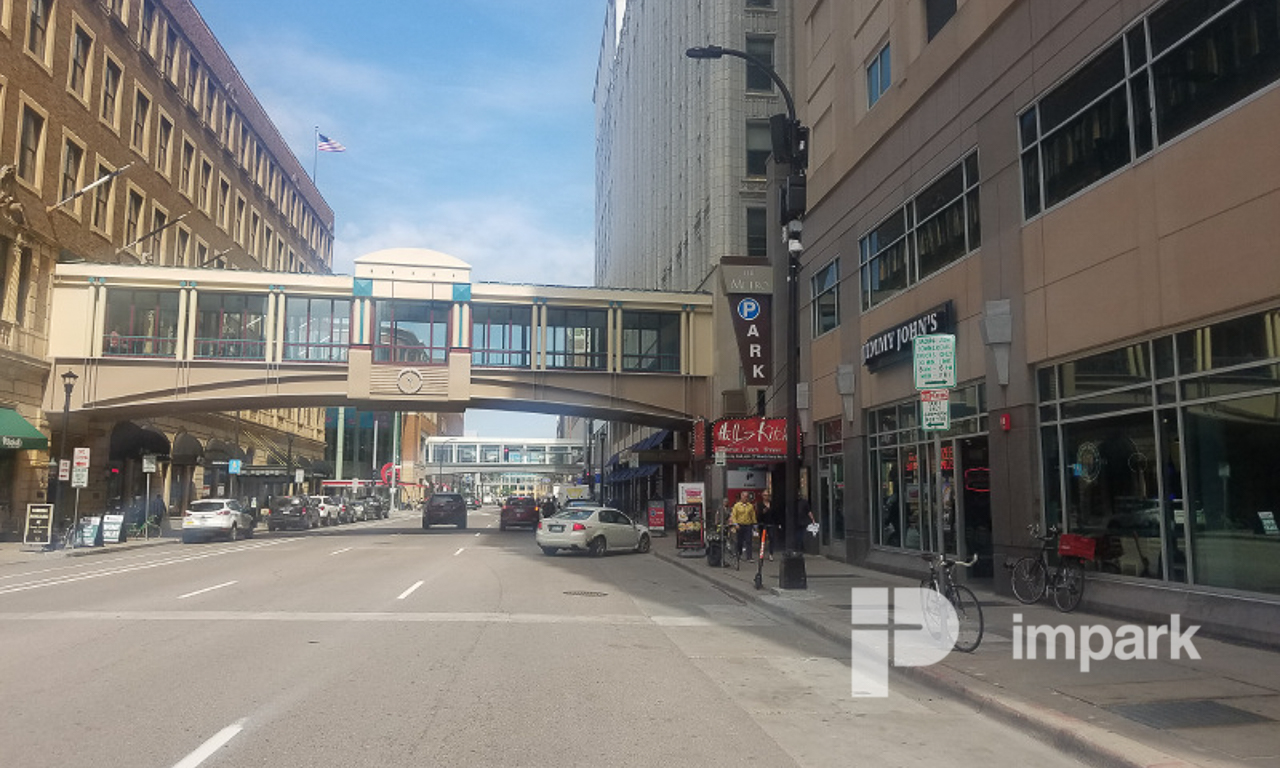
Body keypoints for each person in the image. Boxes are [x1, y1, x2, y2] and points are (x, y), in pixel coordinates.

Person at [730, 491, 757, 561]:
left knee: (749, 541)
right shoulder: (737, 506)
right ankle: (739, 554)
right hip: (740, 525)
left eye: (747, 497)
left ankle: (749, 557)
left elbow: (753, 516)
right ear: (741, 497)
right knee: (740, 541)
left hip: (748, 525)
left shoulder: (750, 506)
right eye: (744, 496)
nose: (746, 498)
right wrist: (735, 524)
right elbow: (734, 516)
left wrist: (755, 524)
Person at [757, 490, 779, 561]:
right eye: (765, 495)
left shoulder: (772, 504)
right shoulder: (760, 504)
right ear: (762, 496)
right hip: (763, 524)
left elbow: (775, 513)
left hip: (771, 524)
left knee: (771, 538)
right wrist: (763, 512)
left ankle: (771, 554)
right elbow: (758, 515)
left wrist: (776, 523)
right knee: (762, 539)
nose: (766, 497)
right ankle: (761, 553)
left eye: (768, 495)